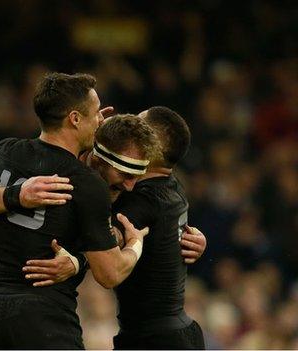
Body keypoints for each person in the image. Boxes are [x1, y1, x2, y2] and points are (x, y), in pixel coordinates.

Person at [0, 109, 207, 349]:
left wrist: (78, 260)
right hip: (3, 309)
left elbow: (110, 243)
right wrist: (16, 195)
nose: (127, 186)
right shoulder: (59, 170)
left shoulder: (140, 192)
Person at [24, 106, 206, 349]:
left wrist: (77, 261)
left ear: (152, 147)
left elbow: (113, 239)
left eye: (139, 125)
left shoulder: (140, 199)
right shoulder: (172, 187)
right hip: (174, 334)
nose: (132, 126)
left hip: (153, 340)